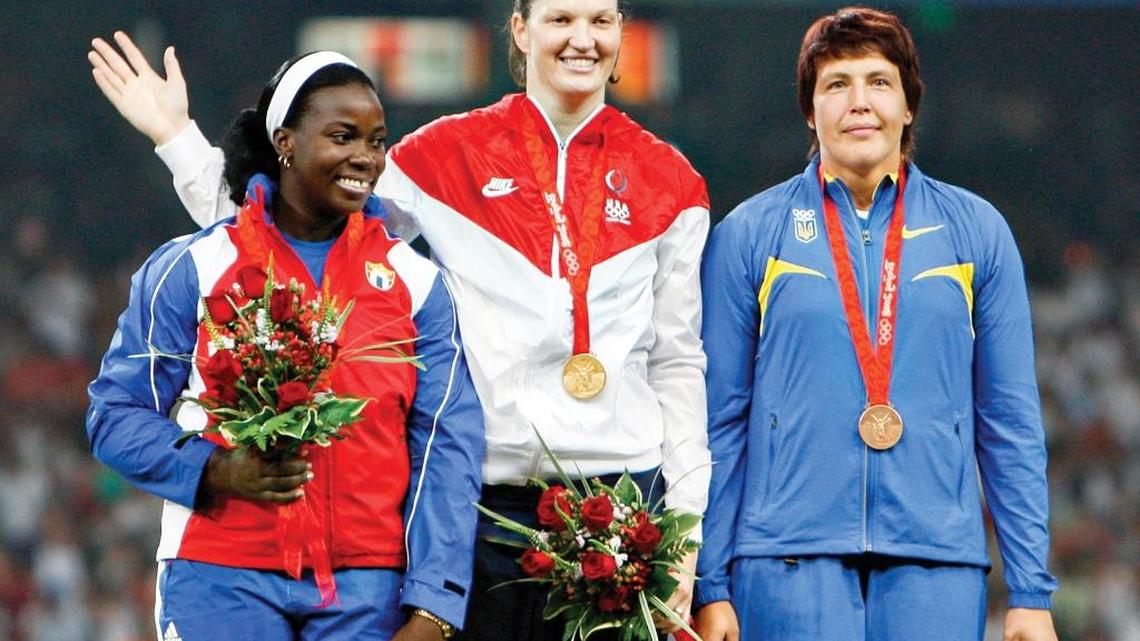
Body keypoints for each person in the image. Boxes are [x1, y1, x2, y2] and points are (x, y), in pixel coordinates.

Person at [87, 1, 710, 639]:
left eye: (601, 20)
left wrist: (690, 545)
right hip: (483, 510)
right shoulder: (443, 155)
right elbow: (289, 228)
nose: (583, 39)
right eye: (561, 19)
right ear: (521, 29)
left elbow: (679, 364)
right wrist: (179, 140)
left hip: (622, 503)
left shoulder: (673, 183)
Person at [86, 51, 485, 641]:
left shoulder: (416, 284)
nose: (365, 158)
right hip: (218, 574)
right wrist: (215, 469)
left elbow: (446, 449)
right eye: (342, 136)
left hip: (368, 586)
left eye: (377, 141)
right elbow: (113, 417)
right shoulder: (193, 266)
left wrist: (435, 605)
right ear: (286, 143)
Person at [693, 7, 1058, 641]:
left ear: (909, 105)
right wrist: (710, 582)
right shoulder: (749, 235)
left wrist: (1030, 589)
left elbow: (1010, 423)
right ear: (810, 111)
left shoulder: (976, 232)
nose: (859, 102)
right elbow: (718, 422)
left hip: (936, 560)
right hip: (783, 557)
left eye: (878, 82)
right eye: (837, 84)